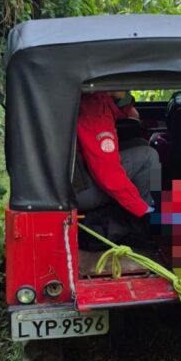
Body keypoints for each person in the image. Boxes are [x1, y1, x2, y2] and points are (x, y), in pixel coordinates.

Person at [75, 90, 160, 248]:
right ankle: (143, 227)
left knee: (140, 144)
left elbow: (126, 113)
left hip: (75, 180)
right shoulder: (94, 109)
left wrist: (125, 103)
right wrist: (142, 210)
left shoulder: (96, 100)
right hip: (80, 190)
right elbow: (108, 175)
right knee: (148, 155)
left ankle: (139, 216)